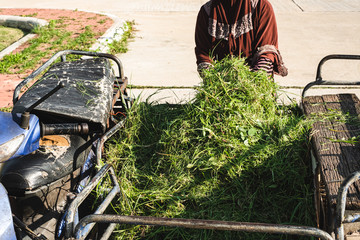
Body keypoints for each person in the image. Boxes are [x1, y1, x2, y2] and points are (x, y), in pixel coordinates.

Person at [195, 0, 288, 77]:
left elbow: (267, 53)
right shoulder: (207, 12)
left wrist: (251, 83)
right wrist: (213, 80)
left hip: (256, 89)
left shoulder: (261, 7)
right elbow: (203, 55)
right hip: (220, 87)